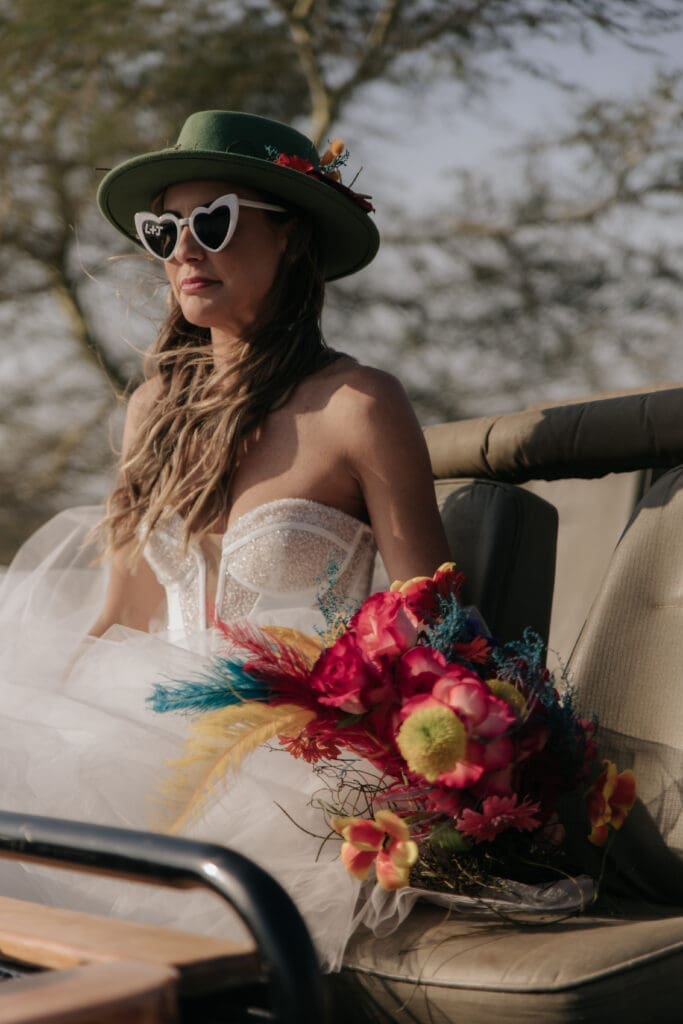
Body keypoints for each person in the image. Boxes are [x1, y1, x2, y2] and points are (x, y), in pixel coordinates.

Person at [0, 111, 450, 970]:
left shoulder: (357, 405)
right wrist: (36, 727)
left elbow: (432, 618)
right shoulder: (151, 413)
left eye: (213, 222)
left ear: (291, 240)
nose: (181, 251)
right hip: (137, 729)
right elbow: (124, 608)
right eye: (163, 229)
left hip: (292, 760)